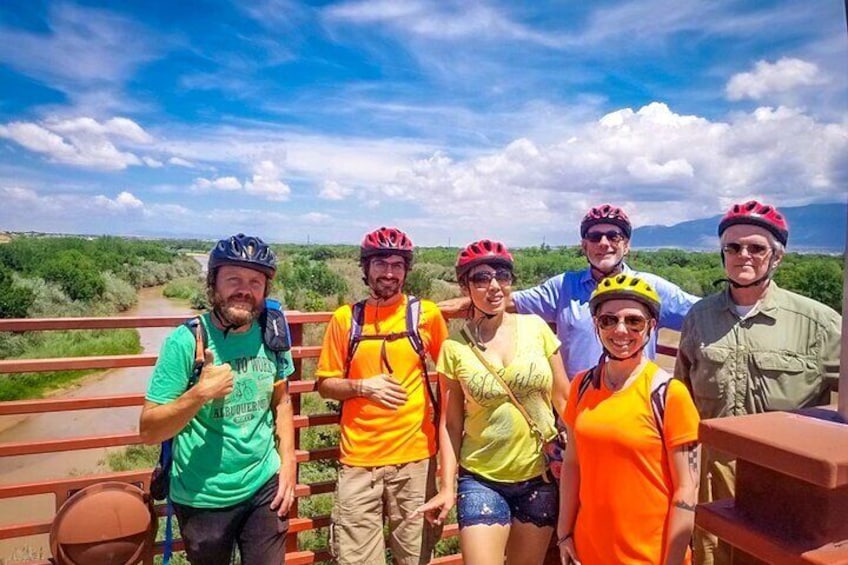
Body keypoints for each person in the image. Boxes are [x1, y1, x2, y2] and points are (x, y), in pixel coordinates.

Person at [674, 200, 842, 565]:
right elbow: (681, 398)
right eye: (733, 247)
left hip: (791, 489)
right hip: (713, 483)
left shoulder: (819, 323)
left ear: (776, 257)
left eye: (756, 248)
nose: (743, 255)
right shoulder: (700, 318)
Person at [139, 233, 296, 564]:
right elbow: (149, 430)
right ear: (213, 284)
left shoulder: (273, 333)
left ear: (265, 290)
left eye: (255, 281)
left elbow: (281, 401)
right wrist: (200, 394)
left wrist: (289, 464)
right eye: (233, 279)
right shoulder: (186, 342)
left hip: (263, 486)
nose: (244, 289)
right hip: (202, 496)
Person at [416, 239, 569, 565]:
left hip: (538, 477)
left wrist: (586, 461)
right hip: (481, 478)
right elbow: (450, 422)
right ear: (465, 286)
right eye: (481, 278)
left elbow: (564, 398)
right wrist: (447, 487)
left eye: (503, 275)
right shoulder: (455, 347)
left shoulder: (536, 328)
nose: (495, 286)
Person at [439, 204, 699, 378]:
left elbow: (705, 315)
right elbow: (498, 301)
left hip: (635, 404)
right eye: (595, 237)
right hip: (576, 406)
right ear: (584, 246)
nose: (604, 243)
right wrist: (425, 312)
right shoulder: (563, 286)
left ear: (627, 245)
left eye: (613, 236)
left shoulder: (652, 288)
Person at [316, 226, 448, 565]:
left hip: (415, 460)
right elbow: (326, 383)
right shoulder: (346, 319)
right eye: (380, 263)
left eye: (397, 265)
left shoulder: (426, 315)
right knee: (357, 559)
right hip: (359, 462)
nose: (388, 272)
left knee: (415, 557)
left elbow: (449, 380)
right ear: (365, 268)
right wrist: (362, 387)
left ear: (406, 270)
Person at [557, 273, 701, 565]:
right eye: (608, 320)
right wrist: (564, 533)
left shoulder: (668, 394)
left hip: (650, 554)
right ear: (596, 325)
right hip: (590, 549)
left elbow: (687, 489)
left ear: (651, 326)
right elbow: (573, 463)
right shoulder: (582, 385)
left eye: (633, 321)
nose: (620, 330)